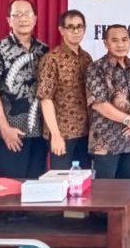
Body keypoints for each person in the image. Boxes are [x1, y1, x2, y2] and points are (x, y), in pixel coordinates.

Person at [0, 0, 49, 178]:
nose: (23, 18)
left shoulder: (44, 50)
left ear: (35, 19)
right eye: (17, 15)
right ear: (9, 20)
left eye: (27, 14)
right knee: (12, 188)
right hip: (11, 133)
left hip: (39, 133)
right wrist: (4, 129)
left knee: (37, 188)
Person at [86, 25, 130, 180]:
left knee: (128, 188)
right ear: (106, 43)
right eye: (115, 40)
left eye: (124, 40)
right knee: (105, 190)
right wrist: (128, 120)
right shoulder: (97, 68)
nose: (120, 44)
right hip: (106, 141)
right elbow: (98, 103)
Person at [37, 10, 93, 170]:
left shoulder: (86, 58)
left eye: (79, 27)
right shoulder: (51, 59)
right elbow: (46, 99)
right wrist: (55, 135)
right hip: (62, 134)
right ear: (61, 30)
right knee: (61, 181)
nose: (76, 31)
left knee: (84, 180)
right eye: (71, 27)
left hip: (85, 133)